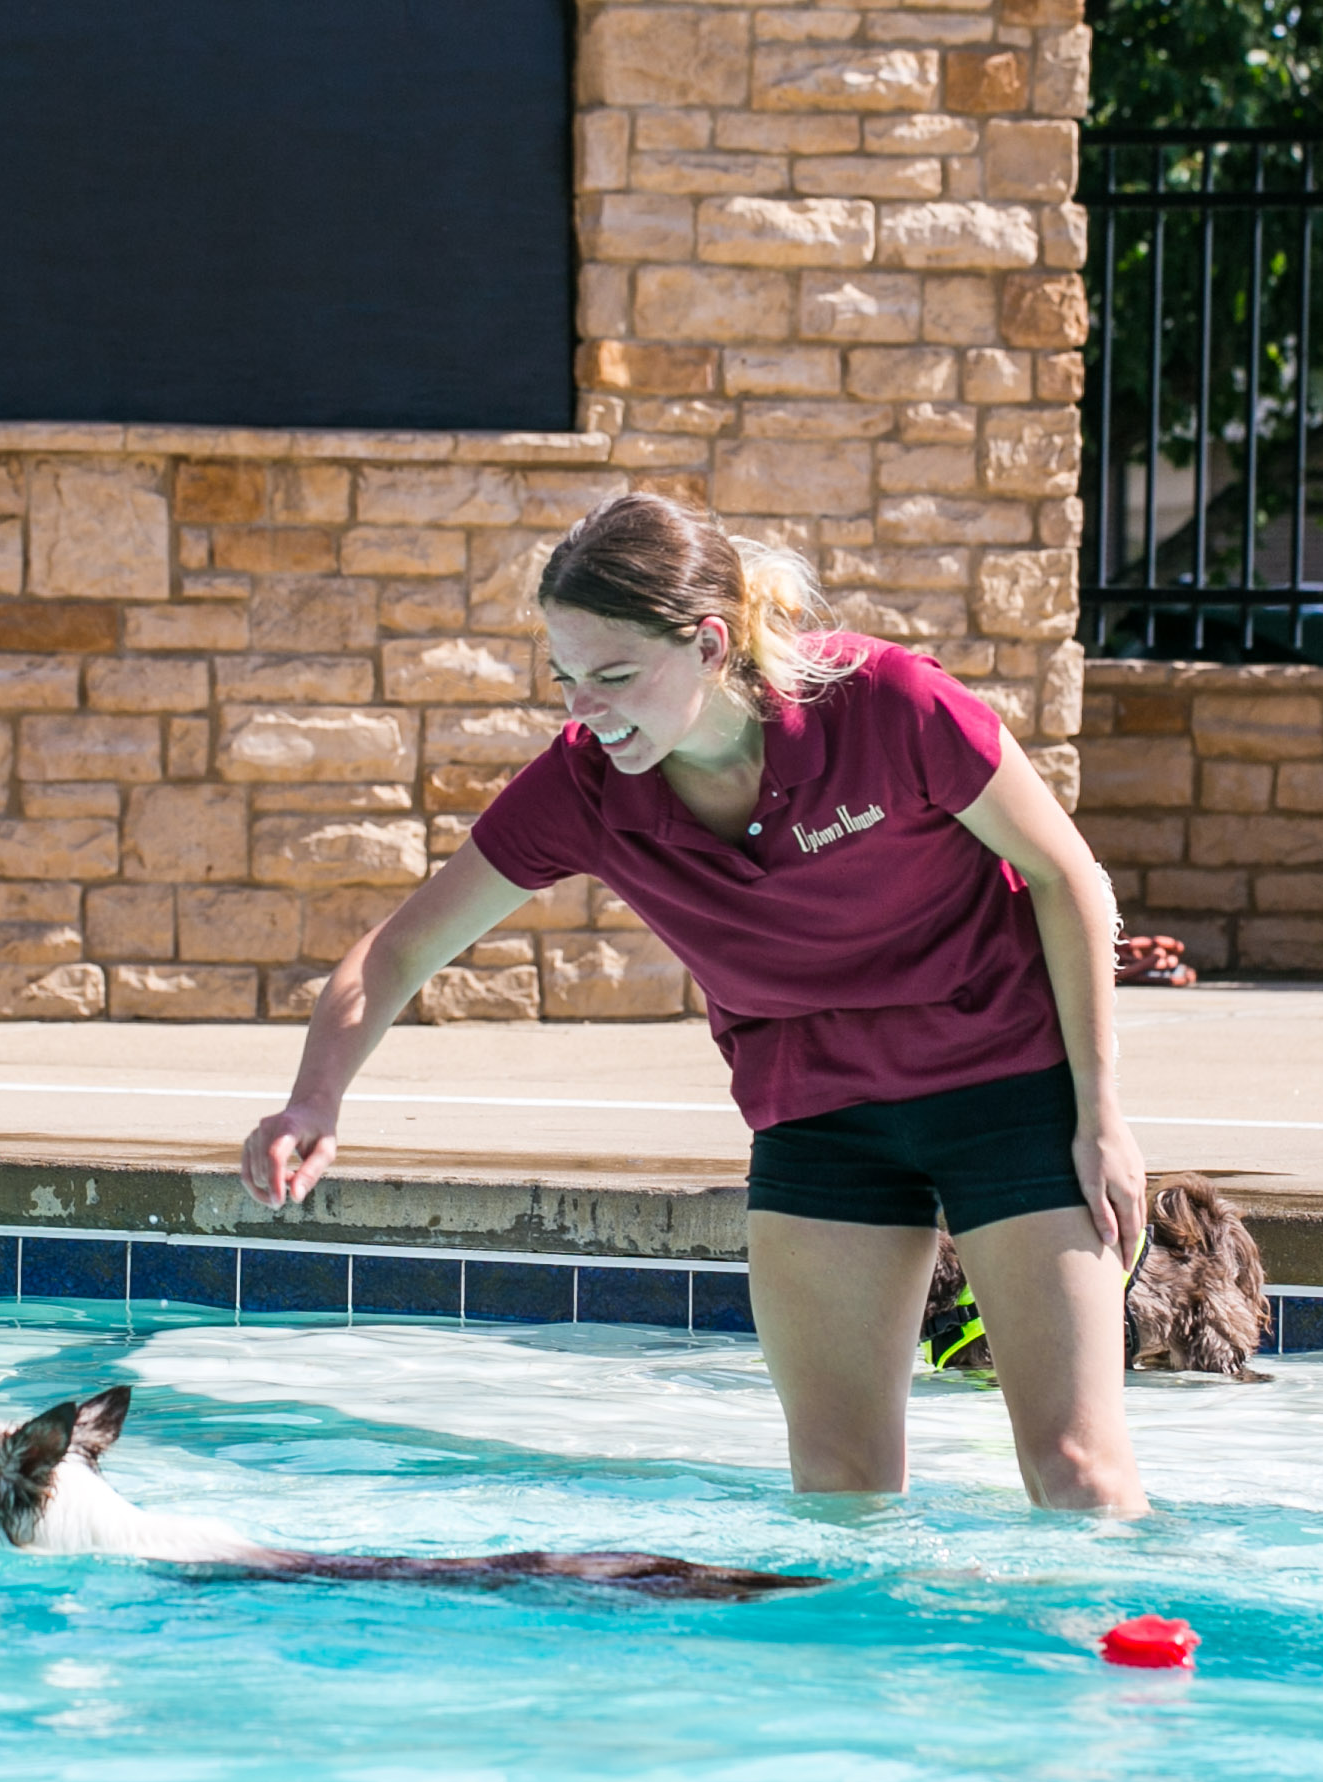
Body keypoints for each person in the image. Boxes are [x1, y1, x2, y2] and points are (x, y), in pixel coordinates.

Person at [237, 491, 1146, 1515]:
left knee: (1076, 1470)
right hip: (821, 1116)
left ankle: (1113, 1666)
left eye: (615, 675)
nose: (585, 707)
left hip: (1009, 1089)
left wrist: (1101, 1114)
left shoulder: (886, 703)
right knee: (838, 1487)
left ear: (711, 644)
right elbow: (400, 947)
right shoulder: (585, 788)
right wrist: (312, 1100)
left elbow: (1068, 876)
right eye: (567, 678)